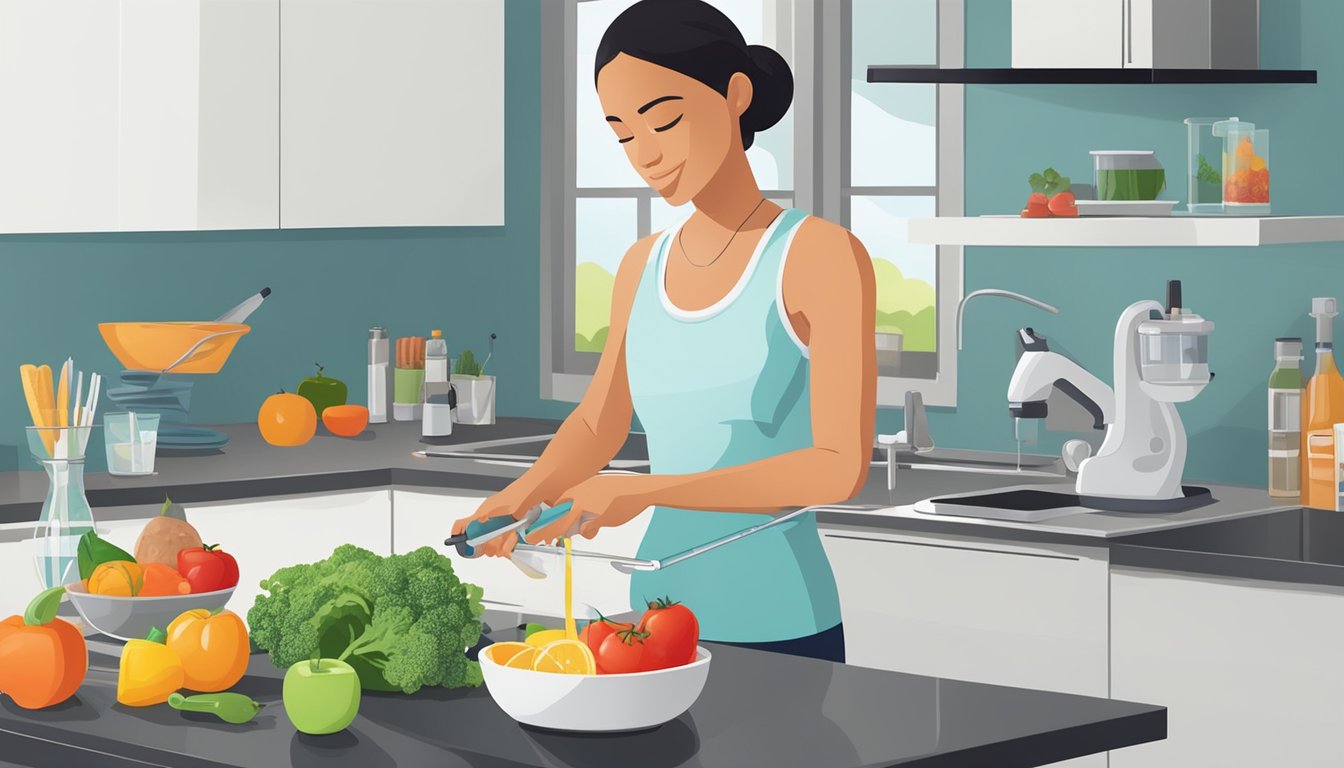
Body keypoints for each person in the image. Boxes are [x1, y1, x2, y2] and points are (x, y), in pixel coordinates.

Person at [451, 0, 876, 663]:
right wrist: (520, 495)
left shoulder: (819, 255)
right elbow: (600, 424)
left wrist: (638, 490)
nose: (644, 155)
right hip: (652, 620)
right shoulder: (640, 265)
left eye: (664, 119)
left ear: (735, 94)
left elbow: (838, 468)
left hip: (781, 624)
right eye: (622, 135)